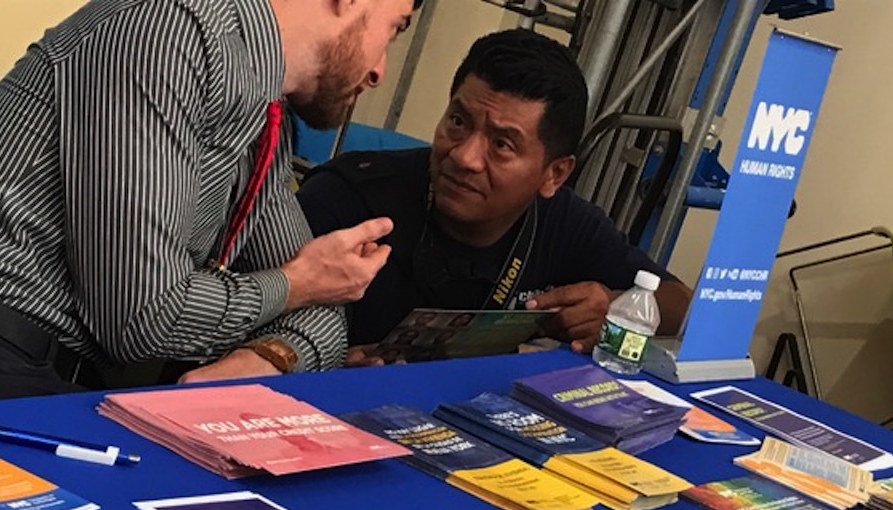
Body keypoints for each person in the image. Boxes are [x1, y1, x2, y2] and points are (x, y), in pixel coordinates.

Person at [0, 0, 421, 401]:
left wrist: (270, 355)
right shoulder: (165, 33)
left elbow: (323, 314)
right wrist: (294, 285)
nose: (380, 71)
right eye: (394, 28)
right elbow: (142, 316)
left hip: (56, 376)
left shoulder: (263, 116)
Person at [296, 28, 694, 363]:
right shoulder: (346, 200)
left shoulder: (566, 224)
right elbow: (265, 312)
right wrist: (324, 365)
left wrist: (614, 305)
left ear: (554, 174)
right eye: (457, 122)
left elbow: (683, 305)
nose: (464, 157)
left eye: (502, 144)